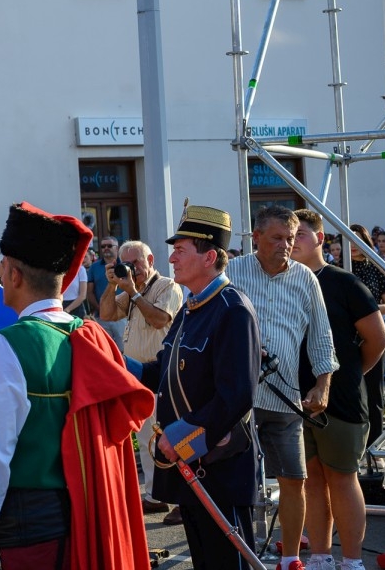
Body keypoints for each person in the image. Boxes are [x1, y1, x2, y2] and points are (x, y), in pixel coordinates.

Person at [0, 202, 153, 569]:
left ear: (15, 275)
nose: (0, 274)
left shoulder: (8, 345)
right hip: (86, 517)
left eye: (3, 267)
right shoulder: (93, 336)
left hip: (26, 531)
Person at [134, 203, 262, 570]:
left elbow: (237, 395)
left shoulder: (232, 309)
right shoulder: (193, 307)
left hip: (218, 469)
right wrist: (117, 364)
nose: (171, 258)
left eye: (180, 250)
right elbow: (165, 371)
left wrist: (182, 435)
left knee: (227, 563)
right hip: (189, 467)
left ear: (209, 257)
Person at [228, 205, 337, 570]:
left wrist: (323, 385)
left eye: (290, 239)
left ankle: (290, 559)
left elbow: (322, 338)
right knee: (235, 481)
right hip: (237, 398)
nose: (285, 245)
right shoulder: (232, 271)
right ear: (256, 237)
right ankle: (236, 557)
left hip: (286, 397)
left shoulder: (306, 278)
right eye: (276, 238)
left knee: (294, 479)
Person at [291, 210, 385, 570]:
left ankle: (351, 561)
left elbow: (378, 339)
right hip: (295, 399)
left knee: (343, 479)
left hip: (341, 401)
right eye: (288, 236)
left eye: (300, 234)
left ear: (320, 239)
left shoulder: (344, 283)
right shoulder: (283, 281)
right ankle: (319, 556)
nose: (292, 242)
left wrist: (347, 376)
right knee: (311, 480)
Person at [98, 239, 183, 518]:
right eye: (127, 264)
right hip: (137, 374)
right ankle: (156, 495)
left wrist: (133, 292)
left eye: (136, 263)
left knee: (170, 438)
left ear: (151, 260)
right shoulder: (132, 289)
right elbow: (107, 314)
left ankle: (185, 501)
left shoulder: (166, 286)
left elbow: (160, 319)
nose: (132, 269)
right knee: (147, 436)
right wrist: (113, 284)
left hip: (163, 372)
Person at [348, 224, 385, 459]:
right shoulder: (338, 269)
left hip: (373, 335)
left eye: (358, 240)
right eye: (349, 240)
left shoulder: (376, 268)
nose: (353, 245)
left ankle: (374, 446)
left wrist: (366, 309)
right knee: (348, 391)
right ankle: (352, 445)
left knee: (373, 392)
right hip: (345, 337)